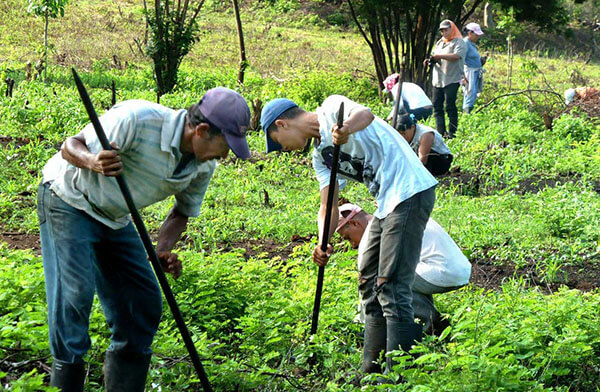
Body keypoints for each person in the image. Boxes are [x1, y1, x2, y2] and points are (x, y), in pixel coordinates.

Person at [38, 87, 251, 392]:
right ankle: (65, 381)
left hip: (115, 216)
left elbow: (181, 212)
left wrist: (161, 250)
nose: (226, 154)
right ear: (202, 131)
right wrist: (93, 161)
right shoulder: (138, 119)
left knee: (142, 301)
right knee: (75, 296)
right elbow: (71, 146)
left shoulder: (204, 165)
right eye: (225, 144)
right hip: (69, 200)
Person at [260, 96, 438, 375]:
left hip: (410, 191)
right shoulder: (320, 157)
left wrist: (346, 129)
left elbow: (365, 114)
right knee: (368, 281)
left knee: (392, 286)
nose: (284, 149)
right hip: (387, 203)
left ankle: (399, 376)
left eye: (279, 141)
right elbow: (328, 204)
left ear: (282, 124)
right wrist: (322, 242)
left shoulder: (332, 109)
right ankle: (370, 370)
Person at [336, 203, 471, 346]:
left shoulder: (374, 233)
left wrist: (366, 327)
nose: (352, 244)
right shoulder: (392, 213)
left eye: (348, 237)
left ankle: (433, 327)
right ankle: (428, 323)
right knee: (397, 275)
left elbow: (366, 283)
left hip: (442, 270)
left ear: (354, 223)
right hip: (454, 269)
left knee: (385, 280)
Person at [425, 19, 467, 138]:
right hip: (438, 78)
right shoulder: (439, 43)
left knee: (450, 105)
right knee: (437, 106)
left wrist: (439, 56)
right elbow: (435, 56)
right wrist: (430, 60)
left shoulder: (459, 42)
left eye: (446, 30)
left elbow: (457, 56)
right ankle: (441, 132)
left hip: (452, 78)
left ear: (452, 29)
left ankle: (453, 132)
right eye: (442, 30)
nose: (444, 32)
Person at [462, 22, 486, 113]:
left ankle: (469, 113)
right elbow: (461, 60)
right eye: (476, 35)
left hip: (475, 72)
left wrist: (481, 61)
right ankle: (466, 115)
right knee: (469, 93)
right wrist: (463, 77)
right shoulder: (465, 43)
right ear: (470, 33)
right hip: (469, 73)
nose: (477, 37)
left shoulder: (472, 44)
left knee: (473, 94)